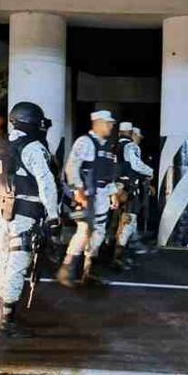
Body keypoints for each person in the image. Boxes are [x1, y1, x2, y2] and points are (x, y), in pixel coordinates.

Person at [0, 102, 60, 337]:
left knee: (4, 263)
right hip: (24, 215)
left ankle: (4, 313)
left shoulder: (0, 145)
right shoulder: (33, 147)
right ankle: (7, 322)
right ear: (31, 122)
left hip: (1, 212)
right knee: (17, 266)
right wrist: (53, 215)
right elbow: (46, 182)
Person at [58, 110, 121, 287]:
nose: (110, 126)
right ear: (98, 123)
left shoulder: (107, 146)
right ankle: (67, 270)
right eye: (108, 123)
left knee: (99, 232)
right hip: (88, 195)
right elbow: (72, 167)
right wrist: (79, 191)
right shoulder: (85, 142)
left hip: (101, 196)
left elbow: (106, 175)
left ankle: (88, 271)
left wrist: (113, 193)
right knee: (84, 231)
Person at [112, 122, 154, 271]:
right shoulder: (131, 147)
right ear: (131, 133)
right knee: (129, 221)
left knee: (118, 223)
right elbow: (136, 165)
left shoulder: (113, 146)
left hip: (114, 189)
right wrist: (150, 171)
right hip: (128, 189)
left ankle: (122, 252)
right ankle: (118, 257)